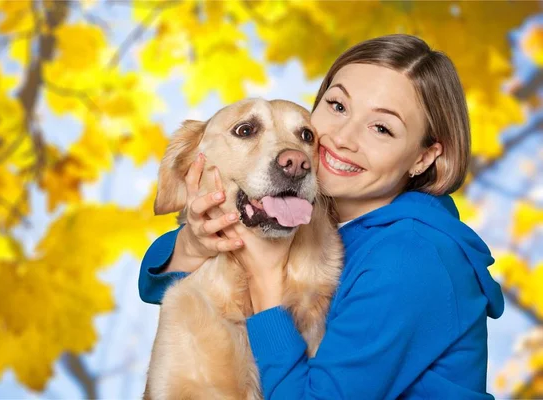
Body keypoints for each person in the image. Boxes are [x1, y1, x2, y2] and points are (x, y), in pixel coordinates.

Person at [138, 34, 504, 399]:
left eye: (381, 128)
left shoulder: (411, 256)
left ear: (423, 158)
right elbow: (154, 284)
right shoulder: (328, 213)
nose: (343, 138)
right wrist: (192, 243)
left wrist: (265, 277)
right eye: (338, 106)